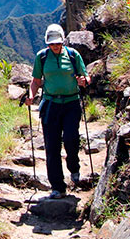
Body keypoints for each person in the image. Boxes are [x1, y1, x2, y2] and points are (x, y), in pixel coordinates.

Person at [25, 24, 91, 199]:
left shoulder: (72, 55)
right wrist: (31, 95)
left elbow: (85, 76)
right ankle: (57, 186)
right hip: (51, 105)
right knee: (52, 147)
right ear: (48, 43)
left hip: (71, 104)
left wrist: (83, 81)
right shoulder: (42, 57)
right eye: (52, 43)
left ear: (62, 41)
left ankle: (74, 167)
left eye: (57, 43)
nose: (55, 46)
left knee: (71, 139)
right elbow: (36, 80)